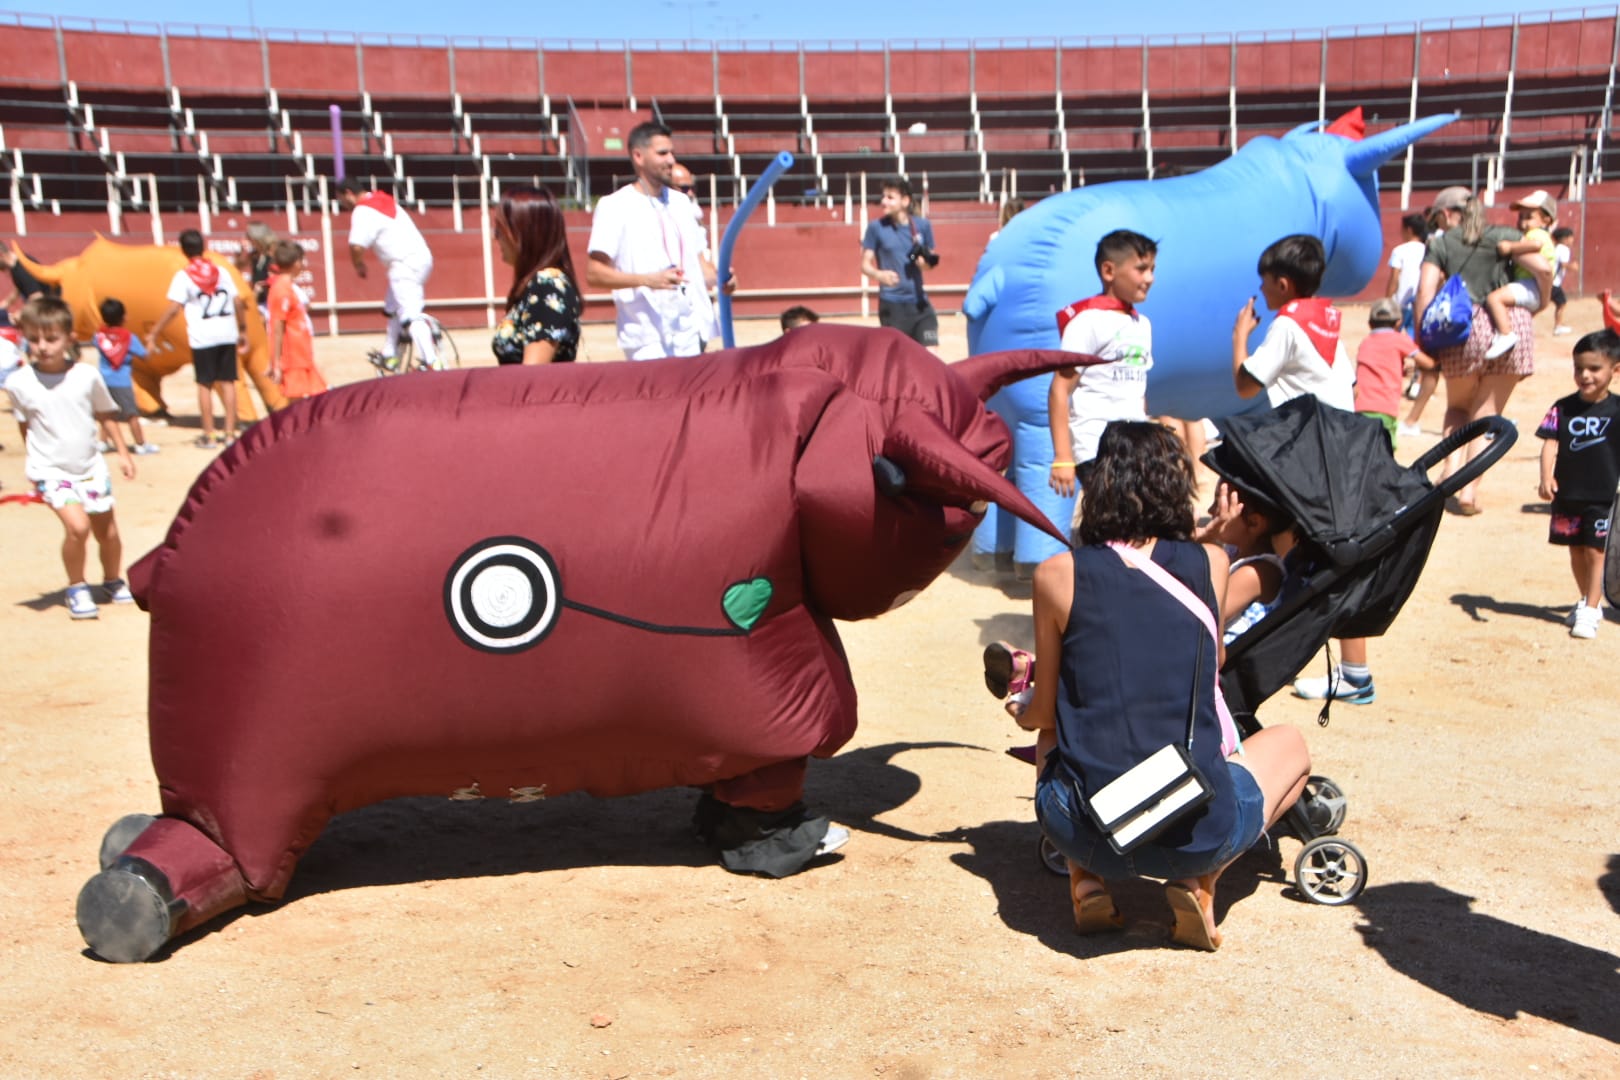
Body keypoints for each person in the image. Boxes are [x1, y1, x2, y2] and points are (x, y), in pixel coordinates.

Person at [1020, 421, 1311, 950]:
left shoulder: (1056, 574)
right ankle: (1200, 885)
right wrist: (1214, 535)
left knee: (1048, 738)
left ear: (1098, 485)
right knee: (1290, 744)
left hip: (1090, 830)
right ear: (1178, 486)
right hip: (1198, 825)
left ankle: (1086, 881)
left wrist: (1024, 709)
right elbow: (1212, 658)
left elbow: (1043, 716)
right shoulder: (1214, 562)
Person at [4, 297, 136, 620]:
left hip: (90, 467)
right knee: (78, 528)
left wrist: (122, 453)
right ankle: (76, 587)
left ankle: (112, 580)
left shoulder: (86, 376)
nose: (42, 346)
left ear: (69, 338)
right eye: (33, 339)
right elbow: (26, 426)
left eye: (51, 338)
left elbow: (105, 415)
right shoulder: (18, 383)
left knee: (109, 533)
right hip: (50, 470)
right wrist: (36, 468)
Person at [1414, 186, 1541, 516]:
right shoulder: (1503, 234)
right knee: (1488, 414)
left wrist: (1422, 339)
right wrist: (1537, 301)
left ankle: (1449, 472)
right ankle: (1469, 491)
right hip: (1510, 325)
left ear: (1445, 214)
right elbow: (1541, 266)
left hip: (1463, 326)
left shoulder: (1440, 244)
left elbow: (1424, 293)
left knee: (1457, 407)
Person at [585, 122, 732, 361]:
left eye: (672, 152)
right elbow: (594, 273)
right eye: (662, 153)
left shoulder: (682, 204)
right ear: (638, 156)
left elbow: (698, 267)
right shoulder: (615, 206)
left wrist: (722, 277)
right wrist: (647, 280)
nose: (671, 160)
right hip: (647, 339)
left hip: (689, 334)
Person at [1047, 229, 1156, 500]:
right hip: (1095, 445)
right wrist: (1063, 457)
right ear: (1109, 271)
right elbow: (1060, 389)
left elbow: (1138, 389)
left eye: (1153, 269)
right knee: (1114, 519)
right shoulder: (1087, 322)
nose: (1149, 278)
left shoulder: (1142, 324)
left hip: (1134, 445)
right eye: (1141, 269)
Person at [1536, 329, 1620, 640]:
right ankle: (1587, 598)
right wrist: (1546, 476)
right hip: (1568, 493)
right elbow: (1549, 443)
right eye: (1578, 368)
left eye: (1594, 368)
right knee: (1575, 551)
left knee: (1596, 552)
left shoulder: (1618, 410)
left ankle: (1591, 610)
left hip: (1604, 495)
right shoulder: (1563, 407)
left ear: (1615, 370)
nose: (1584, 375)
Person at [146, 229, 248, 448]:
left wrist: (155, 332)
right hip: (226, 332)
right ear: (204, 246)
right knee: (229, 382)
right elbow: (238, 302)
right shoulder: (221, 272)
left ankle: (209, 434)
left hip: (203, 336)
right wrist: (242, 330)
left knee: (205, 385)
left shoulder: (184, 276)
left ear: (183, 250)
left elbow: (174, 307)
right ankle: (230, 434)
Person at [1231, 234, 1355, 412]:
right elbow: (1353, 391)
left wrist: (1239, 335)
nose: (1261, 289)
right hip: (1340, 431)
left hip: (1308, 435)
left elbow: (1245, 387)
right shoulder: (1326, 324)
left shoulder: (1287, 325)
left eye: (1264, 282)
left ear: (1282, 285)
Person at [336, 180, 438, 372]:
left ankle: (431, 361)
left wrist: (358, 264)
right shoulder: (383, 199)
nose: (342, 204)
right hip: (419, 258)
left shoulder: (363, 211)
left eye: (341, 199)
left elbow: (356, 245)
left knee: (410, 315)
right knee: (392, 308)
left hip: (403, 264)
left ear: (348, 193)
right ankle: (389, 353)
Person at [491, 186, 581, 366]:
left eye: (501, 230)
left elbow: (532, 375)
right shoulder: (538, 284)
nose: (496, 237)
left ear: (524, 233)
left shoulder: (547, 286)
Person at [860, 176, 940, 347]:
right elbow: (865, 265)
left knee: (931, 356)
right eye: (883, 196)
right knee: (901, 358)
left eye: (890, 197)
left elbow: (930, 262)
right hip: (892, 306)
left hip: (920, 303)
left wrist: (924, 264)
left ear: (905, 201)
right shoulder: (876, 228)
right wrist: (879, 274)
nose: (883, 201)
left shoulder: (922, 226)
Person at [1481, 190, 1557, 360]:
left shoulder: (1537, 234)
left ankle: (1505, 333)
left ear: (1546, 220)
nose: (1523, 222)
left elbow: (1536, 245)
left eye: (1529, 217)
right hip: (1531, 284)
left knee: (1494, 299)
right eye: (1520, 217)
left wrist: (1510, 247)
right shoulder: (1535, 234)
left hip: (1531, 284)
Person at [1358, 297, 1435, 450]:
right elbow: (1428, 363)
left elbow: (1378, 365)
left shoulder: (1365, 342)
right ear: (1398, 322)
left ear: (1370, 323)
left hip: (1361, 407)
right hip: (1385, 407)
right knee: (1385, 452)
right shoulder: (1399, 339)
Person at [91, 299, 159, 455]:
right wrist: (151, 344)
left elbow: (96, 342)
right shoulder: (129, 338)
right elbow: (145, 356)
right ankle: (141, 444)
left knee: (107, 413)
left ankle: (103, 442)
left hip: (104, 380)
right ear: (124, 317)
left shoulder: (99, 336)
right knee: (132, 414)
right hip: (122, 382)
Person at [266, 241, 327, 400]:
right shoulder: (282, 289)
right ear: (296, 263)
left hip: (300, 354)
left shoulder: (287, 287)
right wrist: (276, 363)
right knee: (296, 402)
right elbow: (277, 328)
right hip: (292, 356)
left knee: (308, 398)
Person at [1385, 213, 1428, 335]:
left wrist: (1387, 300)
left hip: (1400, 304)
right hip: (1420, 303)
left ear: (1409, 230)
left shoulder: (1399, 251)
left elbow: (1394, 279)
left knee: (1393, 337)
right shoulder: (1428, 250)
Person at [236, 222, 277, 320]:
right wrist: (241, 251)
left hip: (271, 298)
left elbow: (277, 275)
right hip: (260, 299)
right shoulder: (255, 255)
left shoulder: (272, 253)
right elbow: (238, 266)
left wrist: (262, 285)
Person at [1551, 226, 1577, 335]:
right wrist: (1573, 267)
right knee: (1561, 303)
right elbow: (1563, 264)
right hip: (1554, 283)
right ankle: (1558, 326)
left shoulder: (1557, 247)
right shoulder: (1564, 249)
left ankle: (1559, 325)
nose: (1572, 240)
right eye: (1571, 237)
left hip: (1551, 282)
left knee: (1560, 303)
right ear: (1565, 238)